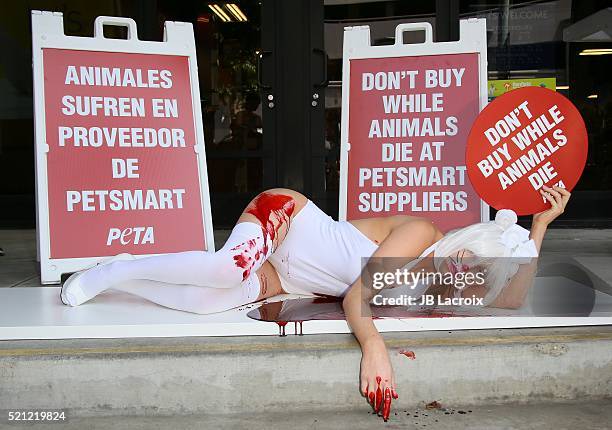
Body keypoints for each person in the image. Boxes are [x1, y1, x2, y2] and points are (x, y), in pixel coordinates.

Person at [60, 185, 571, 421]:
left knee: (203, 305)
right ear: (463, 240)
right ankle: (114, 268)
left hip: (286, 278)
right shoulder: (421, 234)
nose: (465, 272)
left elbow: (513, 293)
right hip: (288, 221)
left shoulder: (442, 278)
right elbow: (357, 296)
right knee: (224, 268)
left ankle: (120, 273)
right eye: (468, 258)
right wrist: (374, 346)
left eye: (475, 275)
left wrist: (541, 226)